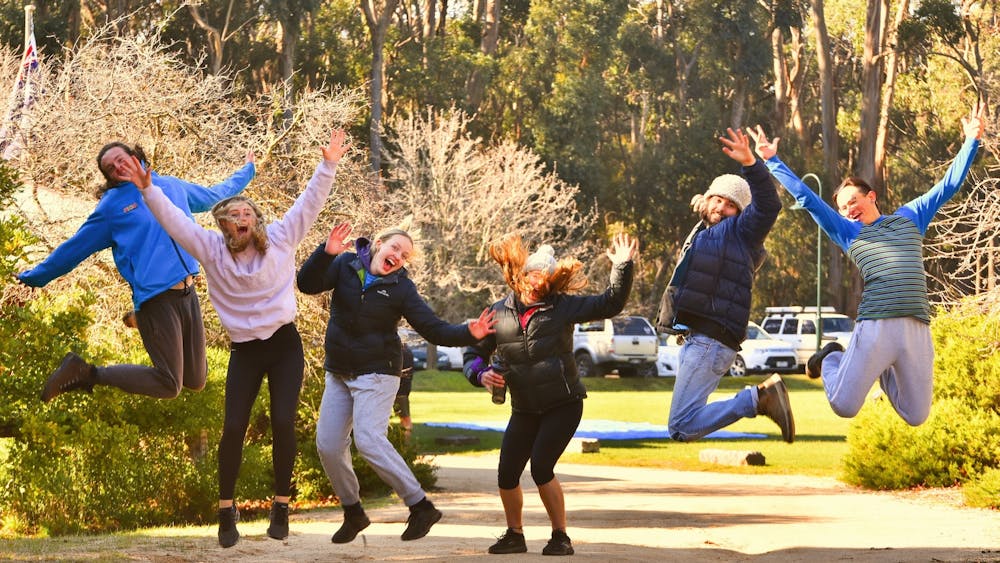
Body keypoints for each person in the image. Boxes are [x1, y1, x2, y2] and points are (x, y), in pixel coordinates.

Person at [124, 129, 352, 548]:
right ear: (222, 225)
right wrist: (149, 189)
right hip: (245, 351)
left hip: (284, 345)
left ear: (256, 220)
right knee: (233, 427)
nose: (240, 217)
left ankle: (281, 506)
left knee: (284, 421)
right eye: (231, 214)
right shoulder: (210, 248)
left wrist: (329, 163)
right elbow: (174, 221)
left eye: (246, 212)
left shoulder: (282, 238)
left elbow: (309, 203)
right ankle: (226, 512)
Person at [750, 102, 985, 426]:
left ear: (871, 196)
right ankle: (832, 355)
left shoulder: (910, 216)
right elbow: (807, 199)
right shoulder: (848, 232)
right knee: (844, 406)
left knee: (916, 415)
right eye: (844, 208)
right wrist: (772, 161)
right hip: (877, 324)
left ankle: (883, 368)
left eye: (853, 202)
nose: (849, 210)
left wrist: (971, 141)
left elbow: (948, 185)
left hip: (917, 326)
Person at [296, 223, 497, 545]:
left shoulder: (402, 288)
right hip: (340, 372)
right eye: (395, 249)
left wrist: (467, 333)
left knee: (368, 439)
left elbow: (433, 329)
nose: (399, 257)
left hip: (378, 371)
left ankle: (420, 506)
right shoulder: (345, 265)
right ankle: (354, 511)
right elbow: (306, 284)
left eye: (405, 256)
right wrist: (325, 252)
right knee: (329, 446)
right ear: (378, 244)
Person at [17, 143, 255, 402]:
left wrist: (248, 171)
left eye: (120, 159)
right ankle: (86, 372)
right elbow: (74, 248)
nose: (118, 167)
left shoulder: (172, 186)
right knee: (168, 384)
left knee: (196, 380)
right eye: (111, 168)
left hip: (187, 292)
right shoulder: (112, 208)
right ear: (109, 177)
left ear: (135, 157)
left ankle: (142, 322)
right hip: (156, 296)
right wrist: (34, 277)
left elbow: (214, 195)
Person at [464, 233, 639, 556]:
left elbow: (611, 303)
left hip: (564, 403)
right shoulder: (498, 312)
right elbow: (473, 354)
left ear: (552, 282)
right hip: (525, 408)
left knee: (542, 467)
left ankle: (561, 537)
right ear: (520, 275)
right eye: (532, 274)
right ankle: (514, 535)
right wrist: (480, 373)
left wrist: (622, 267)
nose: (537, 282)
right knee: (506, 473)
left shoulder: (563, 308)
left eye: (544, 278)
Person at [655, 127, 793, 444]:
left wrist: (751, 163)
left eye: (730, 204)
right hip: (703, 339)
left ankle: (759, 399)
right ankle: (760, 398)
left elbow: (768, 206)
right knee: (682, 425)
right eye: (716, 199)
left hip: (710, 339)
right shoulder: (704, 233)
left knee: (681, 426)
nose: (720, 207)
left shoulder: (741, 232)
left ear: (740, 213)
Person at [393, 343, 416, 435]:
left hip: (400, 390)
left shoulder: (403, 352)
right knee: (404, 417)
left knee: (405, 418)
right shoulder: (405, 351)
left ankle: (405, 444)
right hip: (401, 390)